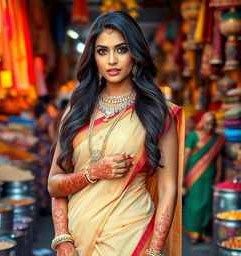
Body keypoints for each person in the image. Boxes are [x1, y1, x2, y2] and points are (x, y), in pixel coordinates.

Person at [48, 11, 185, 256]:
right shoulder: (77, 110)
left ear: (135, 53)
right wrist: (62, 239)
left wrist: (154, 251)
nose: (112, 60)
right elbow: (55, 185)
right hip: (78, 240)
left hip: (133, 238)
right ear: (93, 57)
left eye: (121, 49)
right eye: (102, 51)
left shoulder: (157, 112)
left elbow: (168, 190)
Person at [183, 112, 226, 244]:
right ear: (202, 123)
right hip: (193, 176)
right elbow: (186, 156)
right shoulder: (193, 136)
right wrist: (183, 175)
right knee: (194, 204)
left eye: (212, 124)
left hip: (209, 175)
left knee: (207, 204)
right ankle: (193, 232)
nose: (210, 126)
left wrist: (218, 173)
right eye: (207, 123)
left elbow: (218, 157)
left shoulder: (218, 138)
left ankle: (204, 232)